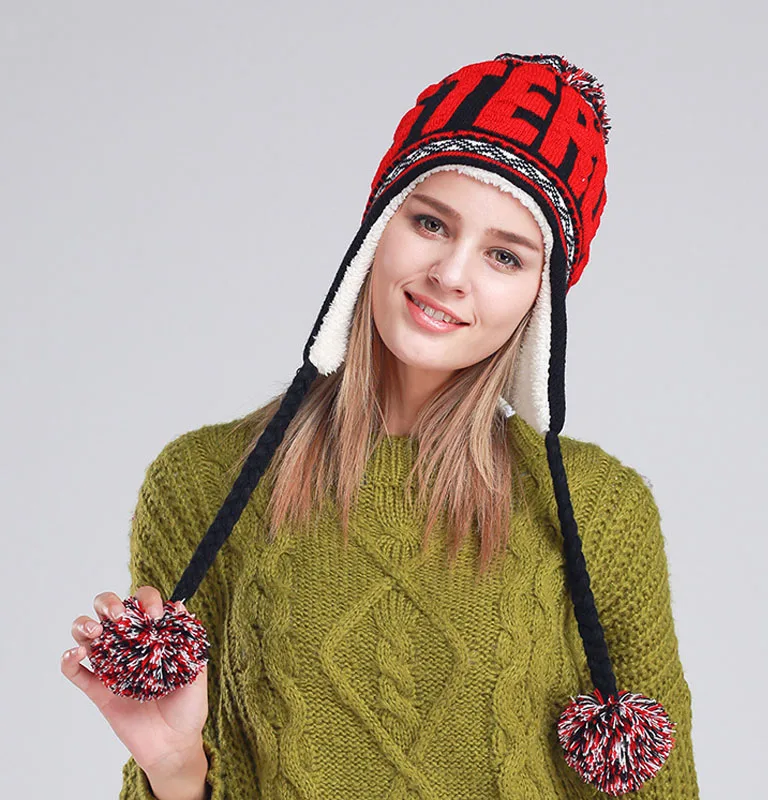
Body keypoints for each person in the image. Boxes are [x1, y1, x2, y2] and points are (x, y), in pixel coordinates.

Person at [62, 53, 700, 799]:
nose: (450, 274)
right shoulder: (203, 484)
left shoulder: (600, 511)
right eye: (430, 222)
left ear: (541, 295)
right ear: (377, 229)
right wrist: (175, 769)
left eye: (504, 255)